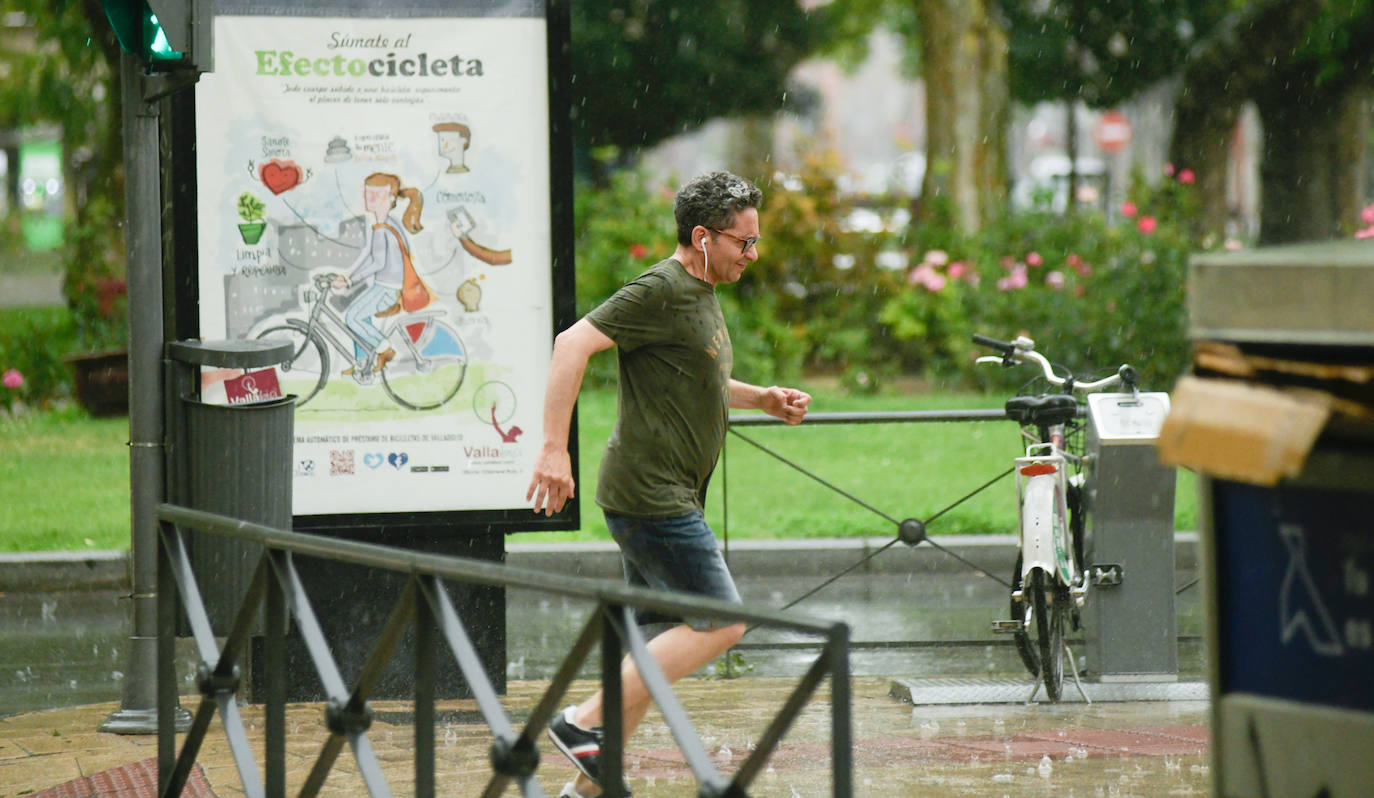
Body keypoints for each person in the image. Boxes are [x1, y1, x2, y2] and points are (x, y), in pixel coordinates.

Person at [526, 171, 811, 798]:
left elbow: (698, 379)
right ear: (704, 237)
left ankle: (593, 788)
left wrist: (761, 397)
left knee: (651, 651)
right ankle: (578, 724)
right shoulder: (661, 288)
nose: (752, 255)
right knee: (725, 620)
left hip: (658, 493)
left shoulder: (699, 293)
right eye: (744, 242)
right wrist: (552, 450)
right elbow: (570, 345)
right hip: (651, 496)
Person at [331, 172, 426, 375]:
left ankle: (384, 350)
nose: (368, 198)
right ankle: (362, 364)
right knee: (359, 316)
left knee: (353, 318)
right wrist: (347, 276)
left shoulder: (384, 228)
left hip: (388, 288)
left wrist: (350, 282)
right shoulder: (386, 223)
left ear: (391, 198)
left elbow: (377, 262)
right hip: (386, 285)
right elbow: (368, 255)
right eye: (367, 193)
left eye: (376, 194)